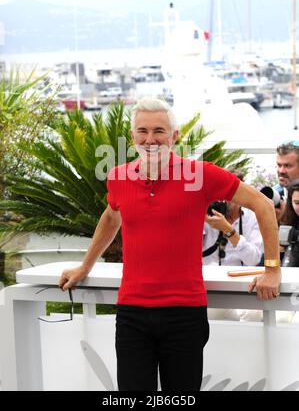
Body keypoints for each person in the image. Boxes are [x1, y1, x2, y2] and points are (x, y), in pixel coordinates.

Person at [59, 97, 281, 391]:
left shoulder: (199, 175)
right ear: (132, 136)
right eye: (143, 131)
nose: (150, 140)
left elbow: (264, 205)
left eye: (159, 131)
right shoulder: (118, 177)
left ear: (174, 136)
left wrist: (272, 270)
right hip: (131, 314)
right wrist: (85, 266)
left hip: (184, 313)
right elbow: (112, 217)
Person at [203, 172, 263, 267]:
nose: (224, 196)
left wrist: (229, 231)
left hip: (238, 279)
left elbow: (254, 260)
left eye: (230, 191)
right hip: (208, 277)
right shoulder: (206, 212)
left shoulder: (252, 217)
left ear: (241, 193)